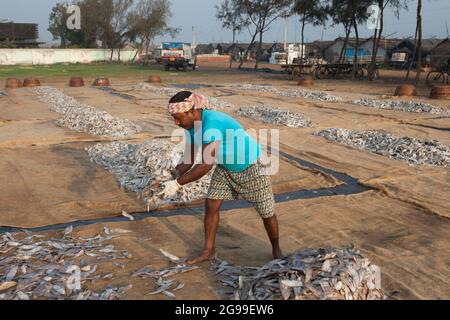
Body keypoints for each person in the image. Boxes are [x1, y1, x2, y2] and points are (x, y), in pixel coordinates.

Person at [157, 91, 283, 265]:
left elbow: (205, 165)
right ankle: (208, 250)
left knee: (266, 211)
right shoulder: (191, 126)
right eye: (174, 118)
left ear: (191, 112)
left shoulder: (212, 124)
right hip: (225, 167)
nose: (176, 123)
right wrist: (173, 174)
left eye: (178, 118)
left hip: (251, 166)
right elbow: (190, 157)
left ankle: (276, 249)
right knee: (211, 204)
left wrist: (177, 184)